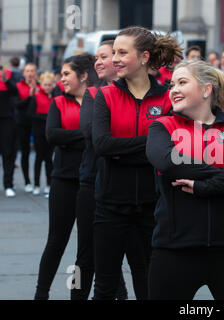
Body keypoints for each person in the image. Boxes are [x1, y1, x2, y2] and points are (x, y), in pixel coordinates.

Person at [146, 59, 224, 300]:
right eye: (171, 84)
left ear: (207, 89)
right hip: (174, 250)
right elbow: (167, 162)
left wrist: (202, 187)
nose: (173, 89)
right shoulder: (162, 126)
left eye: (182, 82)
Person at [92, 26, 182, 300]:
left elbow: (172, 150)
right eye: (114, 52)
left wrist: (126, 150)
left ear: (144, 57)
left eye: (122, 52)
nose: (114, 59)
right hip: (109, 204)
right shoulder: (104, 95)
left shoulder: (167, 98)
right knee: (105, 286)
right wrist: (149, 145)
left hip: (153, 206)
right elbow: (102, 145)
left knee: (149, 283)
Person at [34, 53, 97, 300]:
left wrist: (77, 137)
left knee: (88, 246)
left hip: (90, 182)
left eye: (67, 74)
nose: (62, 79)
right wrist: (85, 136)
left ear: (83, 76)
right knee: (56, 241)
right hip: (63, 179)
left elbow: (100, 138)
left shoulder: (97, 100)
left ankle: (87, 295)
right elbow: (52, 135)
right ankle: (41, 293)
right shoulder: (59, 102)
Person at [71, 40, 128, 300]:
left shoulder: (137, 96)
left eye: (105, 56)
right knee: (87, 255)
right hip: (92, 183)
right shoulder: (93, 95)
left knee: (125, 256)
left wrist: (121, 145)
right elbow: (95, 139)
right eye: (99, 56)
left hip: (127, 186)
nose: (99, 61)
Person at [28, 72, 55, 196]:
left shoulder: (55, 98)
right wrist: (47, 118)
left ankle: (49, 184)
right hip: (39, 132)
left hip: (50, 133)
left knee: (49, 159)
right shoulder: (36, 96)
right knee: (39, 158)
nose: (47, 87)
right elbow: (30, 114)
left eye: (49, 85)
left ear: (53, 85)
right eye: (45, 84)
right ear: (41, 85)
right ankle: (37, 184)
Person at [15, 63, 38, 193]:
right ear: (24, 73)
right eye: (27, 71)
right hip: (22, 123)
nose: (30, 73)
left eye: (32, 71)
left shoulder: (42, 86)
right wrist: (30, 95)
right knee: (25, 153)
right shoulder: (19, 86)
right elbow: (17, 105)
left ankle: (37, 183)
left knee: (41, 154)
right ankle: (27, 181)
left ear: (36, 73)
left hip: (38, 123)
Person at [0, 66, 18, 197]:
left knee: (8, 153)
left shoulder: (10, 75)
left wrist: (5, 79)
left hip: (7, 120)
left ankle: (8, 185)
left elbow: (15, 92)